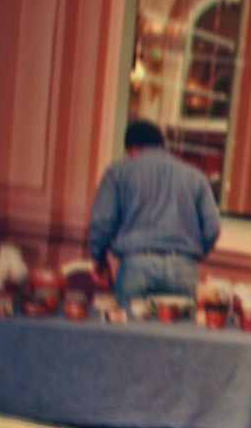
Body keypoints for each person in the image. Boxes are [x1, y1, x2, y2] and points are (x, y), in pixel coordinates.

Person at [88, 119, 220, 304]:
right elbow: (213, 227)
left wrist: (99, 256)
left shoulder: (117, 173)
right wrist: (192, 251)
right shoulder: (196, 177)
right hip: (182, 267)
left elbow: (102, 221)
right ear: (161, 145)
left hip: (136, 264)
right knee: (177, 323)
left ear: (133, 148)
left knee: (131, 322)